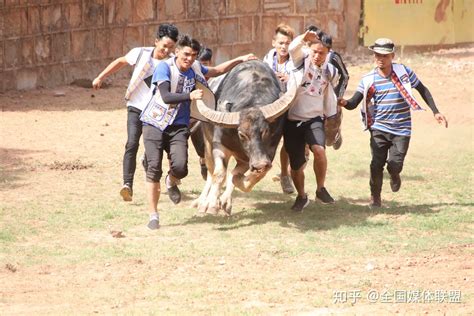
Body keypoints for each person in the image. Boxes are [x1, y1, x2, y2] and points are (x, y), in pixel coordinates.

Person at [142, 34, 256, 229]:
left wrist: (241, 59)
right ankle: (154, 215)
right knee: (154, 169)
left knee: (181, 168)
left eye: (193, 55)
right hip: (154, 123)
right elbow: (166, 96)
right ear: (177, 52)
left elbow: (217, 70)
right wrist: (190, 95)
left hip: (178, 126)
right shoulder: (164, 67)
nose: (190, 59)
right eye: (186, 54)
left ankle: (171, 179)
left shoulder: (195, 67)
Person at [338, 38, 448, 208]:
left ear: (392, 56)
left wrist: (436, 111)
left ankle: (395, 174)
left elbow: (422, 89)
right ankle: (375, 198)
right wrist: (344, 102)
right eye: (377, 55)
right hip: (379, 128)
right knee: (376, 164)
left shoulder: (403, 72)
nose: (380, 59)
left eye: (384, 55)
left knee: (395, 164)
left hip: (402, 129)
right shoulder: (368, 79)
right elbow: (354, 103)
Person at [92, 23, 179, 202]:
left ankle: (152, 169)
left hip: (156, 113)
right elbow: (120, 62)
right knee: (132, 143)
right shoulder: (140, 53)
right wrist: (101, 76)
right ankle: (127, 185)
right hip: (136, 107)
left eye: (171, 47)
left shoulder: (173, 63)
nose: (167, 50)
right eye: (164, 46)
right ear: (156, 42)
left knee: (155, 147)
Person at [284, 30, 339, 212]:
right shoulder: (300, 61)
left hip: (314, 119)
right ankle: (301, 196)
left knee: (319, 151)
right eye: (314, 51)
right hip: (292, 120)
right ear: (309, 49)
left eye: (321, 53)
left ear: (328, 53)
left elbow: (334, 86)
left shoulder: (331, 71)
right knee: (296, 166)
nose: (317, 56)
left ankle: (320, 189)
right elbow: (292, 48)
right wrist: (302, 38)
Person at [263, 23, 296, 194]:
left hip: (291, 106)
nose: (284, 47)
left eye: (288, 43)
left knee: (289, 144)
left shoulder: (296, 61)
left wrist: (289, 78)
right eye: (281, 43)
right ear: (273, 42)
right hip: (271, 107)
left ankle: (284, 175)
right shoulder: (267, 59)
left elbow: (300, 80)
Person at [307, 25, 349, 150]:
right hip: (308, 99)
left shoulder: (332, 57)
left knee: (328, 140)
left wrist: (337, 96)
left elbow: (345, 76)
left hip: (328, 97)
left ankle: (335, 134)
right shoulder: (303, 56)